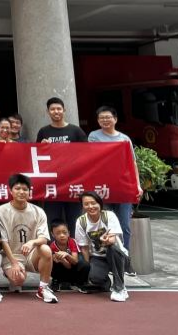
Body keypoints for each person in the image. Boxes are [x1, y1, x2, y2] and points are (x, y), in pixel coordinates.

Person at [88, 105, 141, 270]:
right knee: (103, 226)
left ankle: (124, 260)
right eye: (101, 118)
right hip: (103, 188)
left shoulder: (125, 139)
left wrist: (137, 185)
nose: (105, 120)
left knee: (124, 225)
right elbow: (93, 157)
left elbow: (132, 163)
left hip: (123, 187)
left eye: (108, 117)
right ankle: (105, 261)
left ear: (115, 119)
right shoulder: (94, 136)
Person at [0, 173, 57, 303]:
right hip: (12, 255)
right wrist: (14, 263)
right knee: (18, 280)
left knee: (46, 249)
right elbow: (3, 241)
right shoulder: (0, 211)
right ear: (10, 190)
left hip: (31, 255)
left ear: (29, 191)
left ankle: (43, 288)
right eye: (17, 188)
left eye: (25, 189)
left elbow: (44, 238)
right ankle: (11, 275)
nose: (21, 192)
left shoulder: (38, 211)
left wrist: (32, 242)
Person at [36, 97, 87, 231]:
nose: (56, 111)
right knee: (52, 220)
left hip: (73, 183)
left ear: (64, 110)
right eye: (52, 109)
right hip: (52, 184)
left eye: (59, 109)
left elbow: (87, 153)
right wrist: (41, 147)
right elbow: (36, 157)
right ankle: (53, 245)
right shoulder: (43, 132)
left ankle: (75, 244)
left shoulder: (76, 131)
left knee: (75, 220)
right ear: (48, 112)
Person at [75, 191, 130, 301]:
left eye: (93, 203)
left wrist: (106, 241)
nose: (90, 206)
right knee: (94, 278)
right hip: (98, 257)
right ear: (82, 206)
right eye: (86, 204)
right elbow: (84, 248)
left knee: (112, 248)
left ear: (99, 203)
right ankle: (105, 283)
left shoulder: (109, 216)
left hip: (117, 255)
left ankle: (120, 288)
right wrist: (88, 269)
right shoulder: (81, 221)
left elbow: (112, 240)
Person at [48, 220, 89, 291]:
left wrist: (66, 255)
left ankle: (80, 283)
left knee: (85, 264)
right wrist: (62, 260)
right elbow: (68, 266)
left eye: (64, 232)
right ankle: (56, 281)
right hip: (63, 270)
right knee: (52, 262)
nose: (62, 235)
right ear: (52, 234)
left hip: (73, 269)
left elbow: (75, 261)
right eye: (58, 233)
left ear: (69, 233)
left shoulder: (72, 241)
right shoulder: (52, 246)